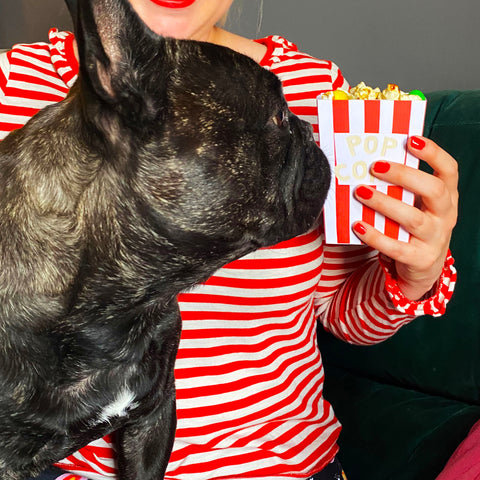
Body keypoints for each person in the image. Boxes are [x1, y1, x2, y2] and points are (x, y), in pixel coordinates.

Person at [0, 0, 458, 479]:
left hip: (285, 467)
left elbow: (344, 313)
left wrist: (413, 274)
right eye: (277, 124)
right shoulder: (18, 82)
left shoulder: (317, 89)